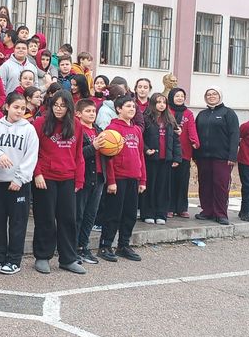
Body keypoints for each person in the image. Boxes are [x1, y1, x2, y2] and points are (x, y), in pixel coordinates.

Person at [0, 92, 38, 275]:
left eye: (23, 108)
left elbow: (31, 156)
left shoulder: (29, 129)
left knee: (17, 223)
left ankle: (14, 259)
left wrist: (19, 178)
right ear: (6, 106)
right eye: (16, 107)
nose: (20, 111)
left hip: (18, 184)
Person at [31, 90, 86, 275]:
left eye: (63, 106)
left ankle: (68, 259)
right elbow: (32, 151)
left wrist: (79, 178)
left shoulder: (76, 125)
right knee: (45, 218)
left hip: (68, 178)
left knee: (68, 219)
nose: (59, 109)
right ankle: (42, 256)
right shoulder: (40, 122)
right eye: (56, 105)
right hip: (45, 178)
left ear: (69, 107)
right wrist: (37, 173)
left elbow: (79, 154)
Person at [99, 95, 147, 262]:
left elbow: (141, 155)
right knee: (113, 213)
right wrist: (111, 181)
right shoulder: (112, 129)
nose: (132, 109)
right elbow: (108, 157)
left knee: (130, 214)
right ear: (119, 109)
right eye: (128, 106)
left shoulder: (136, 130)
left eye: (133, 107)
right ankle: (105, 245)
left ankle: (123, 245)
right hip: (118, 178)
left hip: (134, 176)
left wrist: (142, 180)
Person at [194, 87, 239, 225]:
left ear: (220, 96)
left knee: (220, 185)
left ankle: (220, 213)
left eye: (214, 94)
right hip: (203, 157)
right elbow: (195, 135)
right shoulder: (202, 114)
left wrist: (232, 156)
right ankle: (207, 211)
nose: (211, 96)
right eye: (208, 94)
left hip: (222, 157)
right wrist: (195, 155)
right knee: (205, 184)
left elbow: (234, 135)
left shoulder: (228, 113)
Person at [141, 93, 181, 224]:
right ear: (153, 104)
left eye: (164, 102)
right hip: (151, 159)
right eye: (158, 102)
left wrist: (176, 157)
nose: (161, 105)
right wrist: (146, 149)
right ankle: (148, 213)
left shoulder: (170, 119)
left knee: (163, 188)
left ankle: (161, 214)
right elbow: (140, 138)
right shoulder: (146, 118)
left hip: (166, 159)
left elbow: (176, 140)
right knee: (150, 187)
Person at [74, 98, 105, 264]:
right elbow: (76, 154)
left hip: (99, 177)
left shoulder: (99, 130)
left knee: (90, 215)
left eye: (93, 111)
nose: (92, 114)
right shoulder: (76, 130)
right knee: (78, 214)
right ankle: (74, 248)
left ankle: (83, 246)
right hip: (83, 177)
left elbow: (106, 154)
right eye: (88, 111)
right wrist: (93, 147)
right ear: (78, 114)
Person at [167, 87, 199, 218]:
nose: (180, 98)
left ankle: (182, 208)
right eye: (177, 96)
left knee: (182, 180)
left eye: (182, 96)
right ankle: (169, 207)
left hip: (184, 152)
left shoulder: (188, 113)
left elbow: (192, 128)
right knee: (169, 180)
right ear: (171, 98)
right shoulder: (167, 111)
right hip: (169, 151)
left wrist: (195, 141)